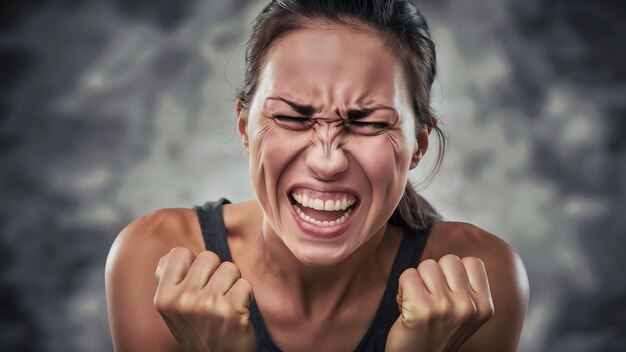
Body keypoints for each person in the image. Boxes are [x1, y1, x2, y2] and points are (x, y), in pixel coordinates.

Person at [105, 0, 529, 351]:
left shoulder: (481, 281)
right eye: (291, 117)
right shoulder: (153, 257)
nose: (327, 162)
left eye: (368, 124)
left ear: (418, 144)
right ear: (244, 128)